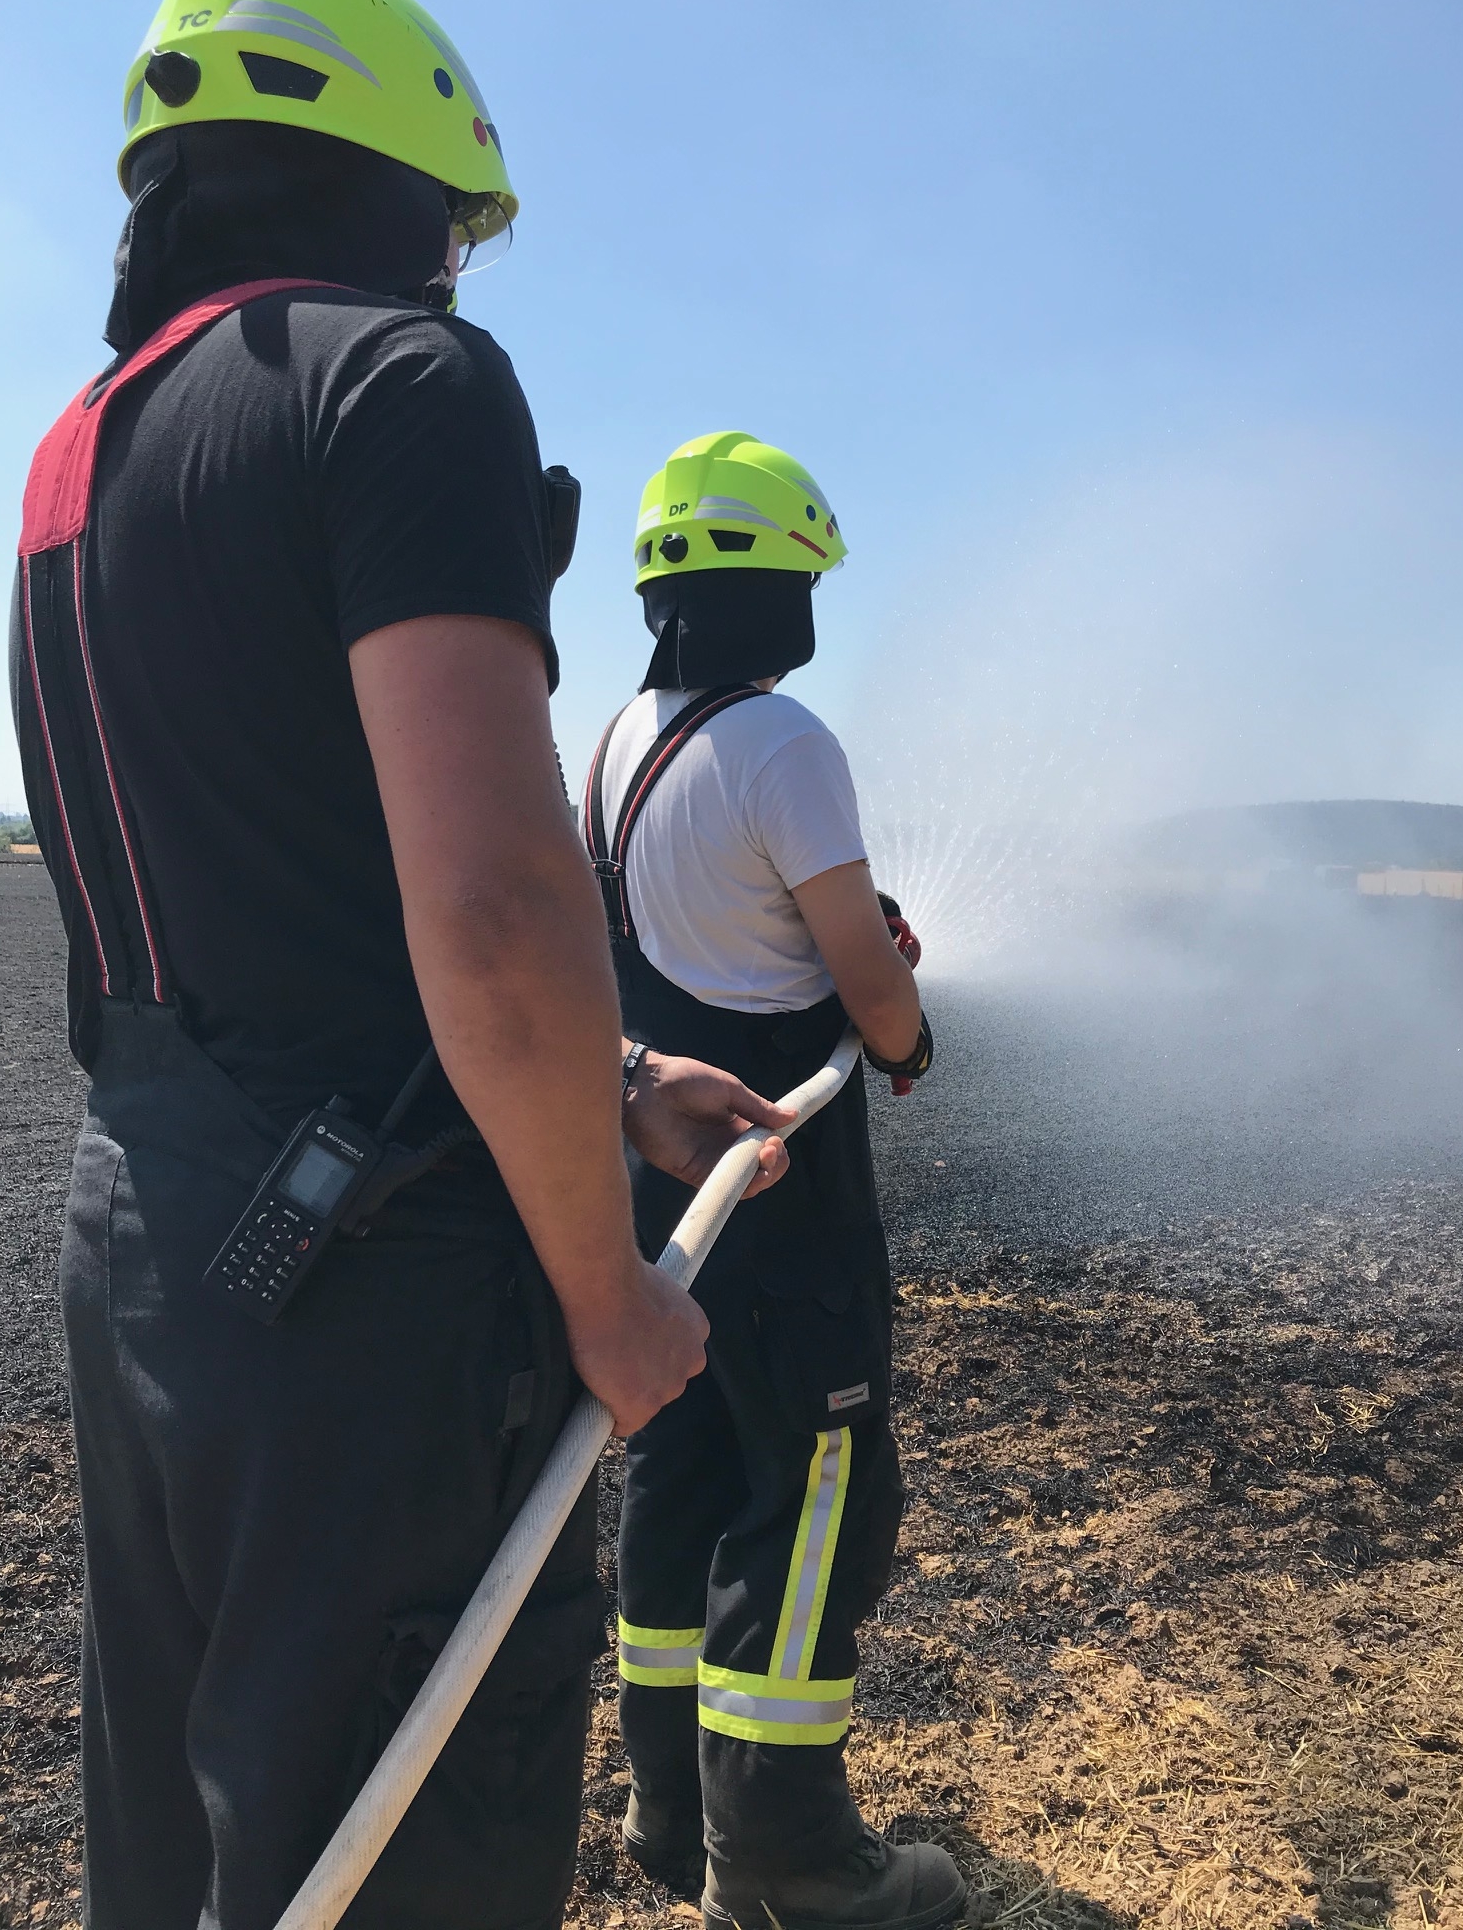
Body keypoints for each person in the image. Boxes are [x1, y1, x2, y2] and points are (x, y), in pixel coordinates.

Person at [9, 0, 796, 1929]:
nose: (459, 263)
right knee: (401, 1842)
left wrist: (612, 1085)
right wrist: (607, 1288)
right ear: (399, 176)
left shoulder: (80, 460)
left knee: (198, 1839)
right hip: (369, 1304)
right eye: (459, 225)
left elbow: (275, 891)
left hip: (153, 1246)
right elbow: (493, 899)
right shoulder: (405, 379)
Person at [581, 433, 965, 1930]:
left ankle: (668, 1812)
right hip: (782, 1183)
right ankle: (791, 1859)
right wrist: (911, 1039)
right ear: (782, 577)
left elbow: (704, 929)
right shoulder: (786, 741)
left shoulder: (619, 740)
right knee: (816, 1490)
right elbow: (870, 990)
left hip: (665, 1189)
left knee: (685, 1468)